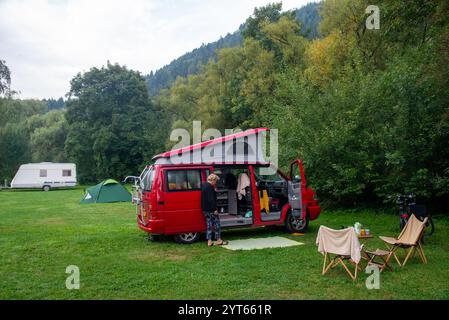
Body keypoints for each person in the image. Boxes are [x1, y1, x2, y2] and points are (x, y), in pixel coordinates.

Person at [201, 174, 228, 247]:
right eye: (215, 181)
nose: (216, 182)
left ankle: (209, 241)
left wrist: (214, 191)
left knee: (209, 225)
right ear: (212, 180)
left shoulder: (204, 186)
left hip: (205, 209)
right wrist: (214, 209)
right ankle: (218, 240)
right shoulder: (209, 187)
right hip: (211, 210)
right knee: (217, 225)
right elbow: (211, 200)